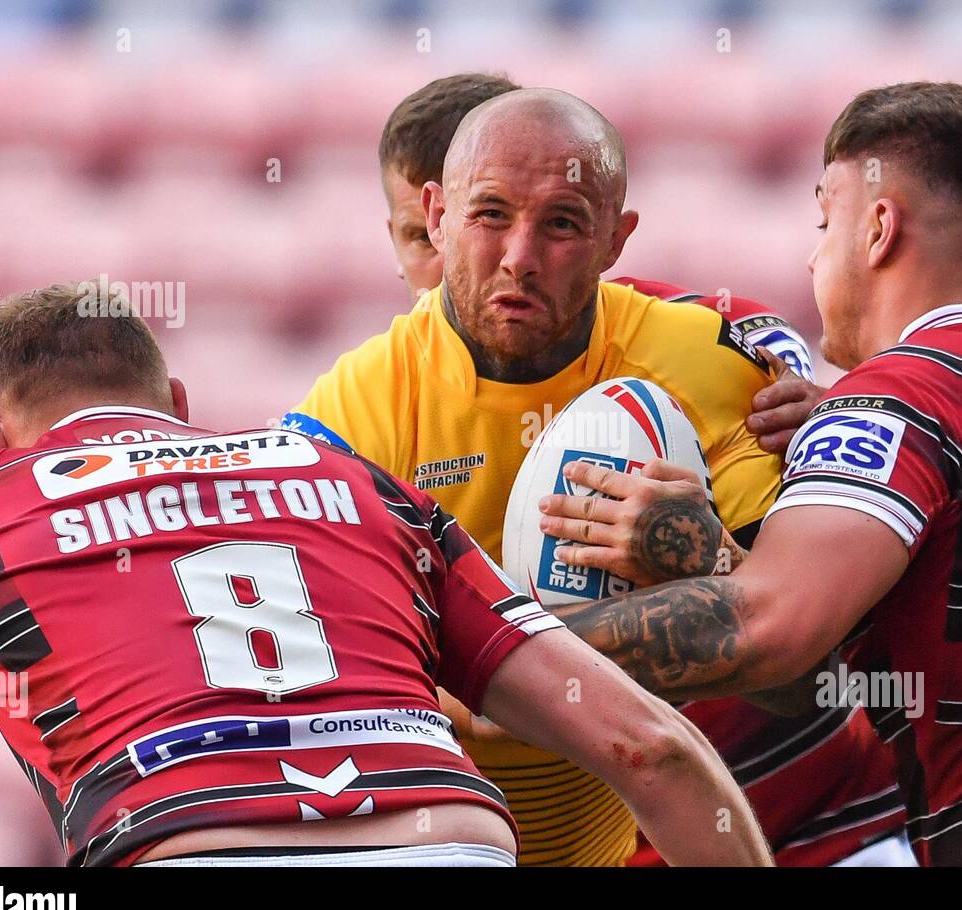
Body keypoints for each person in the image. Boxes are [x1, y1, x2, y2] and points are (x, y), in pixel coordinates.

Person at [543, 81, 962, 866]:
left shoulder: (908, 393)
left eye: (824, 219)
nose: (811, 252)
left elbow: (766, 630)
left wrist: (493, 656)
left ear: (878, 226)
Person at [0, 283, 771, 868]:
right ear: (178, 403)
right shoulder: (356, 480)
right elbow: (652, 747)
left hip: (190, 840)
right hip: (448, 838)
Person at [287, 78, 910, 867]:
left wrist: (702, 557)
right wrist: (510, 677)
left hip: (791, 817)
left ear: (617, 239)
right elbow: (318, 695)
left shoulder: (708, 362)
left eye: (562, 225)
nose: (519, 258)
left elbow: (797, 678)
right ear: (437, 218)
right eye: (489, 216)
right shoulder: (350, 416)